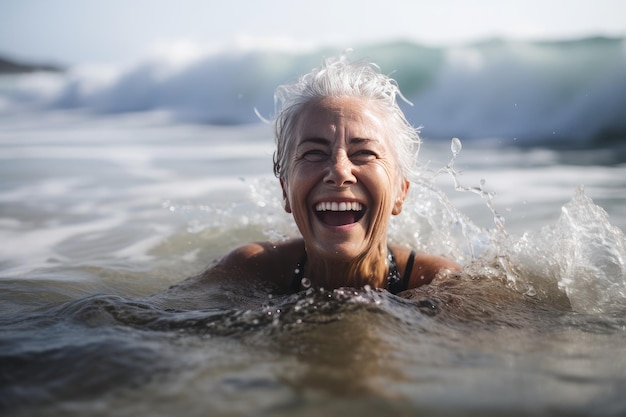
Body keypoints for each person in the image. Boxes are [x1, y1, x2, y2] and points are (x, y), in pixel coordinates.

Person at [188, 55, 460, 295]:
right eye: (313, 153)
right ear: (285, 190)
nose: (339, 172)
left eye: (364, 153)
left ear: (401, 191)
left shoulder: (439, 285)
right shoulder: (251, 270)